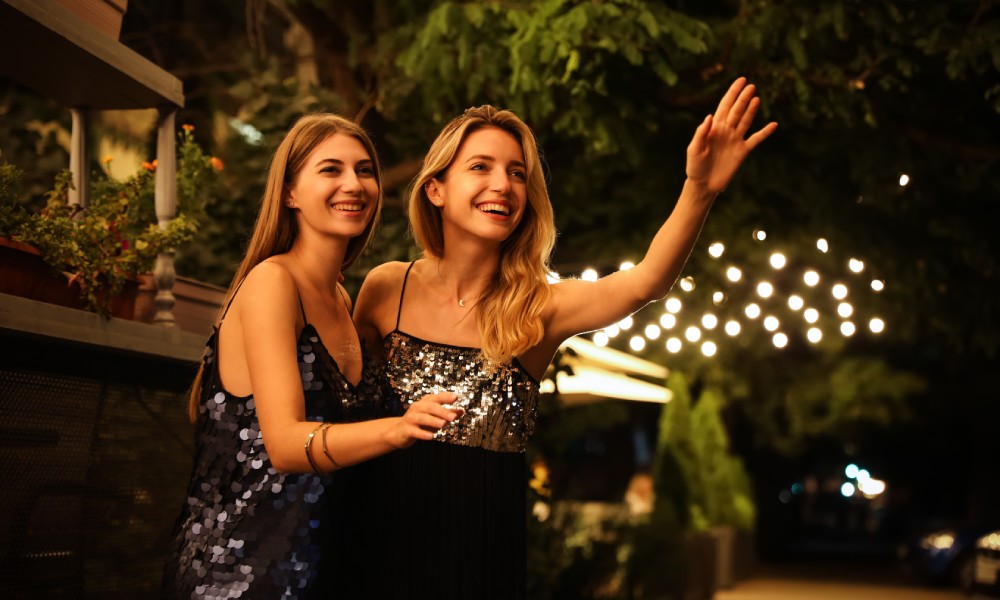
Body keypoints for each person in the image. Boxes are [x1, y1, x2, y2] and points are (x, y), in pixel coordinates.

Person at [352, 77, 777, 598]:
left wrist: (699, 190)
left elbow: (644, 281)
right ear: (435, 188)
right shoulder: (383, 288)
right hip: (379, 546)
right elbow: (344, 408)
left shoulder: (539, 306)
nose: (503, 185)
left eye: (516, 173)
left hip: (481, 561)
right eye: (480, 167)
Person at [161, 113, 461, 599]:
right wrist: (398, 427)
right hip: (237, 579)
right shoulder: (272, 283)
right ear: (289, 192)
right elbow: (282, 443)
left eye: (365, 170)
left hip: (319, 574)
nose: (354, 184)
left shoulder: (344, 302)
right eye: (331, 169)